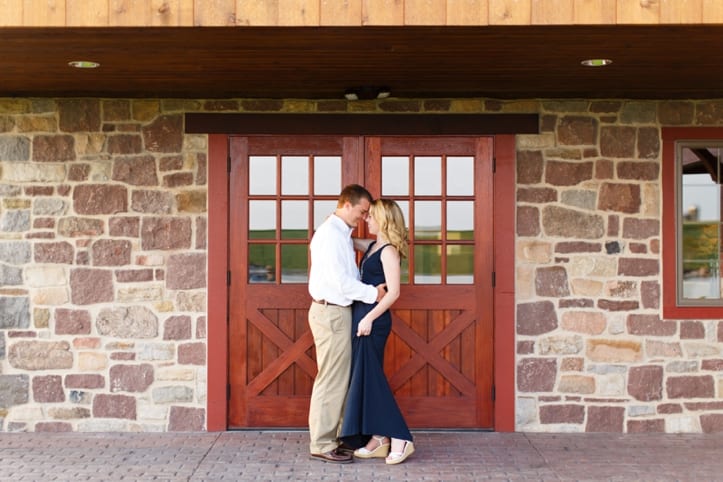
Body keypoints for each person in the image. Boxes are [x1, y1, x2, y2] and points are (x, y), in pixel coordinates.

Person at [307, 184, 386, 464]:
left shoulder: (340, 234)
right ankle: (322, 443)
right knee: (331, 379)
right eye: (362, 212)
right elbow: (340, 282)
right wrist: (373, 294)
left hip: (338, 313)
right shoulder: (330, 236)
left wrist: (380, 245)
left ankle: (339, 436)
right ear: (347, 204)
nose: (364, 218)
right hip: (332, 313)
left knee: (340, 378)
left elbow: (348, 264)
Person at [340, 198, 415, 465]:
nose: (366, 220)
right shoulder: (373, 246)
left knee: (373, 377)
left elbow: (394, 292)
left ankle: (400, 436)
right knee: (367, 376)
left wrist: (369, 318)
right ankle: (380, 437)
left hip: (373, 320)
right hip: (362, 317)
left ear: (383, 220)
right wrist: (337, 220)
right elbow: (344, 239)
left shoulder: (389, 251)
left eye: (371, 217)